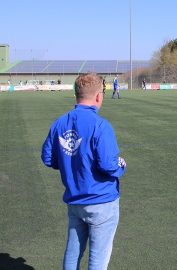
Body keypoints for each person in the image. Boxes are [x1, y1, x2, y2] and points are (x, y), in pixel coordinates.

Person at [41, 72, 126, 270]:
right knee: (98, 259)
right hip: (101, 201)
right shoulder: (101, 125)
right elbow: (108, 165)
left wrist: (66, 161)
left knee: (72, 252)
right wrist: (121, 164)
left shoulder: (59, 123)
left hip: (75, 201)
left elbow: (47, 158)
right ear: (98, 96)